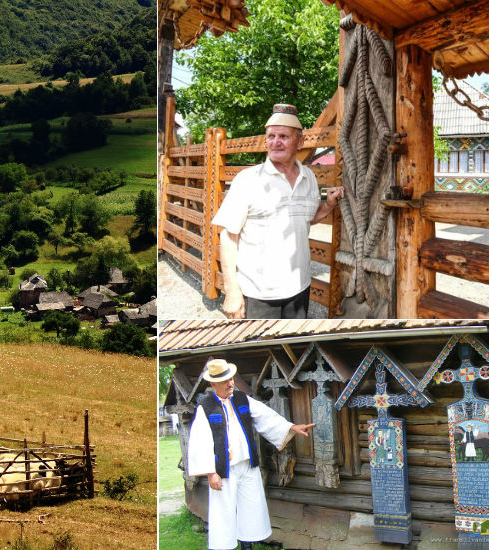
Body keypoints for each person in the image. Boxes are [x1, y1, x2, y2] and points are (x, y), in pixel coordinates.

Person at [212, 103, 345, 319]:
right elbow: (228, 237)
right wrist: (232, 292)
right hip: (257, 293)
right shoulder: (248, 180)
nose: (275, 142)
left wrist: (328, 205)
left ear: (300, 142)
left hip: (299, 288)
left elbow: (307, 220)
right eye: (271, 136)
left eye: (283, 136)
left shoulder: (309, 178)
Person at [187, 359, 315, 550]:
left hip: (247, 465)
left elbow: (265, 416)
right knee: (223, 510)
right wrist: (210, 473)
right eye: (224, 380)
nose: (230, 383)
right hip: (224, 469)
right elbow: (200, 442)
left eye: (230, 378)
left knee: (251, 507)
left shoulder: (242, 399)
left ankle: (247, 546)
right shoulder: (205, 408)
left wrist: (291, 427)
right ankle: (224, 546)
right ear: (213, 384)